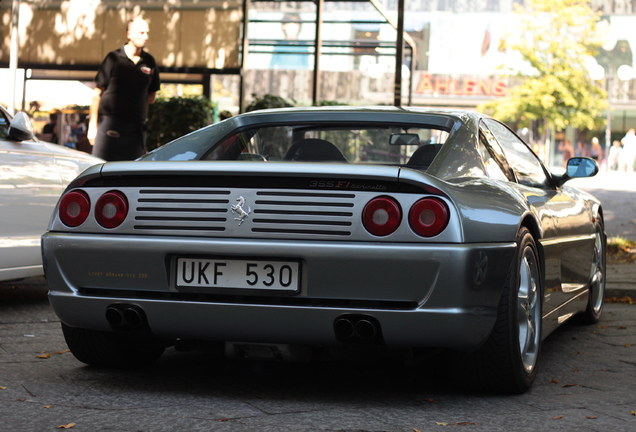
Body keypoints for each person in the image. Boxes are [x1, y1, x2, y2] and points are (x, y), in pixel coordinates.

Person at [88, 17, 161, 161]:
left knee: (132, 174)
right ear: (129, 34)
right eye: (141, 33)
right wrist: (92, 126)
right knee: (101, 169)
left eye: (147, 33)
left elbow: (152, 97)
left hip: (136, 129)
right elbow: (97, 94)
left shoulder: (149, 62)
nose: (145, 37)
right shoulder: (113, 58)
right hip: (109, 127)